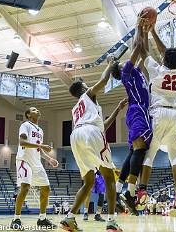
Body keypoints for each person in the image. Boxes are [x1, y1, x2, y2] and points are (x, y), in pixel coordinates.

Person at [59, 62, 127, 232]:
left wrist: (117, 110)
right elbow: (104, 80)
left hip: (76, 136)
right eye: (86, 84)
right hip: (90, 133)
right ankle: (111, 221)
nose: (89, 86)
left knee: (88, 182)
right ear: (82, 88)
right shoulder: (88, 94)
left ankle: (69, 218)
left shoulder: (77, 109)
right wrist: (111, 65)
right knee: (109, 177)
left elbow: (101, 125)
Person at [137, 16, 176, 217]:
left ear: (164, 60)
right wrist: (154, 31)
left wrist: (142, 30)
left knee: (149, 154)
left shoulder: (156, 70)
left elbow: (142, 51)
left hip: (158, 113)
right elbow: (167, 53)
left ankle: (142, 190)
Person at [111, 17, 152, 215]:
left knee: (134, 151)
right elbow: (136, 49)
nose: (124, 62)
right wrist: (138, 27)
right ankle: (130, 191)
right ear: (120, 69)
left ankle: (119, 191)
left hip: (136, 112)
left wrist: (146, 32)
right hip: (138, 111)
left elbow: (144, 53)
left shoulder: (135, 72)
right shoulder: (126, 71)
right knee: (140, 150)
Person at [10, 107, 59, 230]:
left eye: (37, 109)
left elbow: (38, 149)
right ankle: (16, 219)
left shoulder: (40, 130)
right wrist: (41, 145)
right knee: (25, 187)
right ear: (28, 114)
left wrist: (49, 159)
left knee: (46, 188)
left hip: (37, 162)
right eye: (33, 109)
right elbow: (22, 142)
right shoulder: (25, 125)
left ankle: (42, 219)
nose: (37, 110)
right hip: (24, 160)